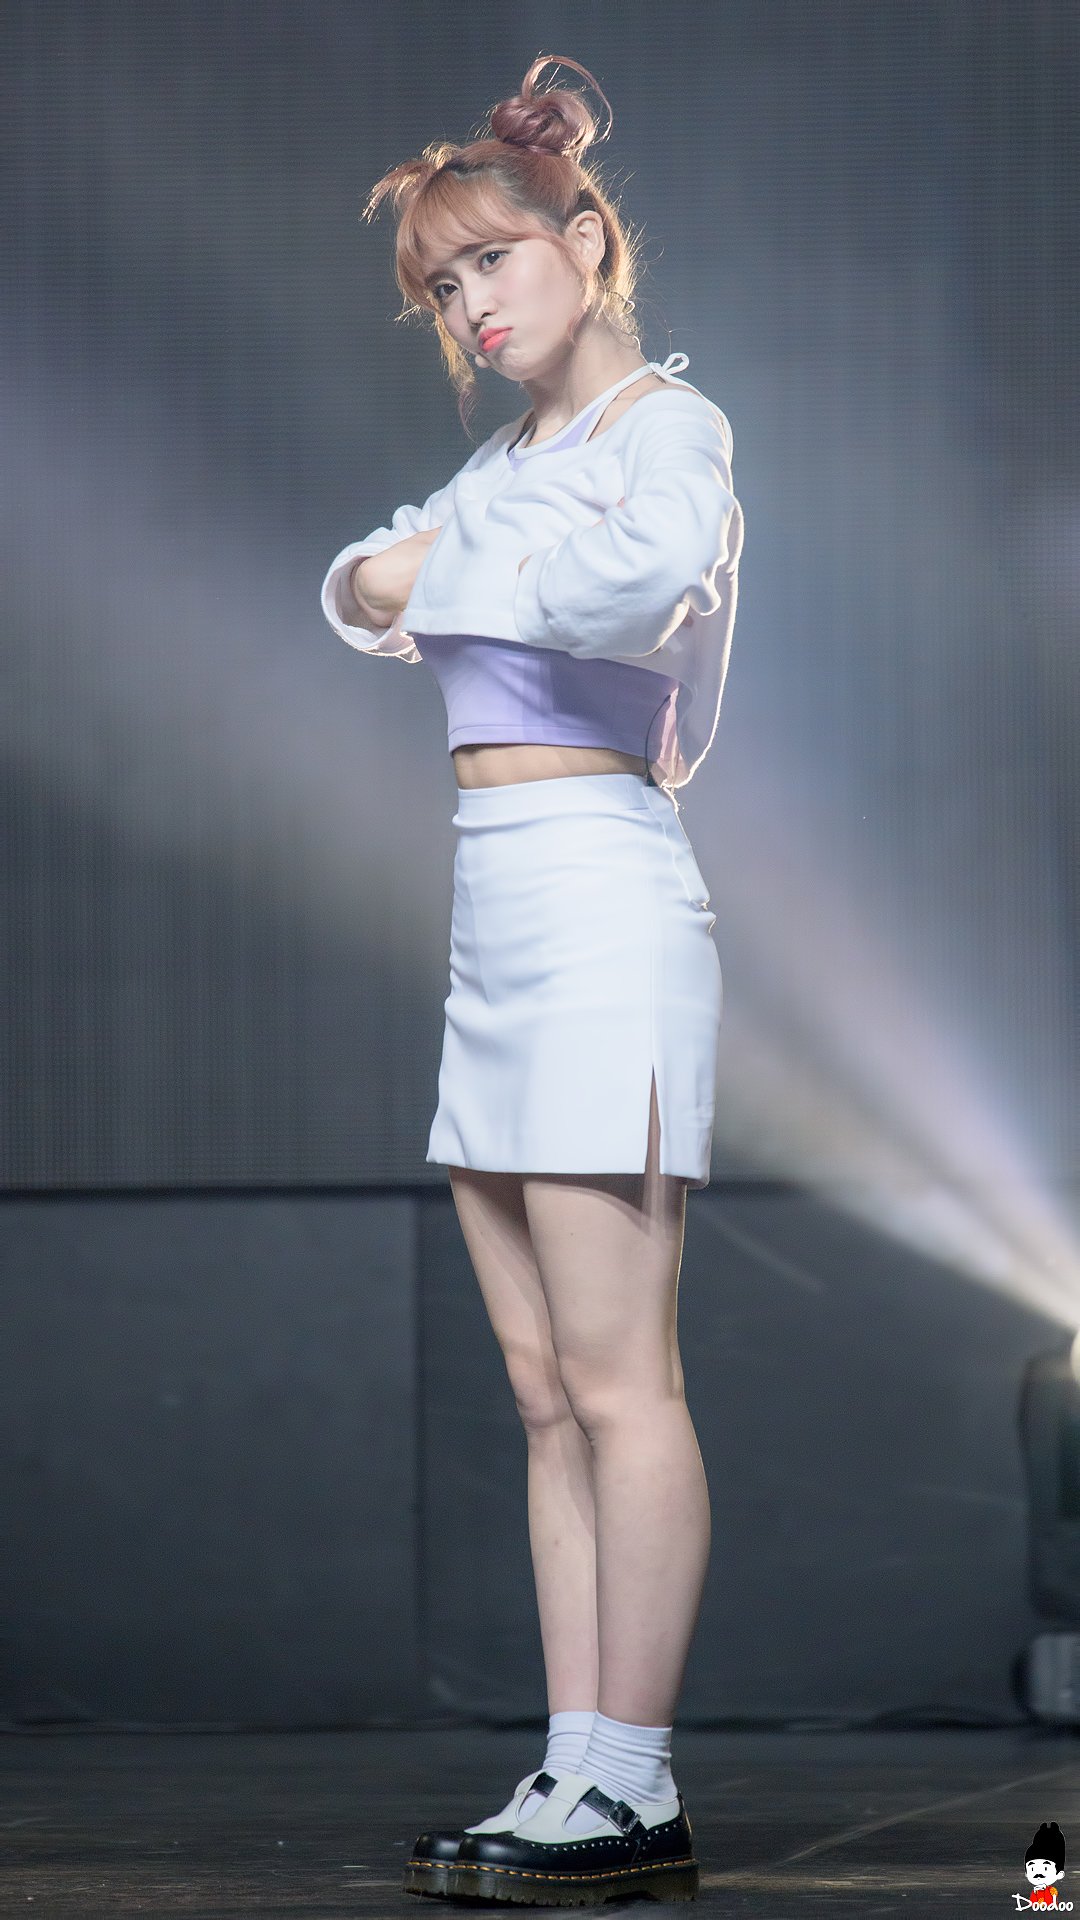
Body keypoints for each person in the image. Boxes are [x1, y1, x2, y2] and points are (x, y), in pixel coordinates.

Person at [320, 50, 744, 1907]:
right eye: (442, 286)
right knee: (541, 1387)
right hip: (494, 906)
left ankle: (634, 1783)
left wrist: (447, 564)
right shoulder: (507, 466)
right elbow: (353, 585)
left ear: (586, 239)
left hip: (601, 900)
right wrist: (451, 554)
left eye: (490, 258)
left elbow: (620, 590)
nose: (471, 305)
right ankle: (576, 1766)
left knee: (621, 1379)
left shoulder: (669, 426)